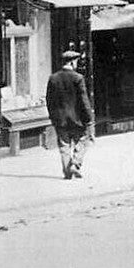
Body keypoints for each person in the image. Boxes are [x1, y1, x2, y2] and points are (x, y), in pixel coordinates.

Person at [46, 49, 94, 180]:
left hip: (60, 119)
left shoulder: (53, 78)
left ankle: (67, 172)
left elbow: (49, 100)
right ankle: (75, 163)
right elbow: (84, 100)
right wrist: (89, 118)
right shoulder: (78, 78)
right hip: (77, 118)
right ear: (73, 62)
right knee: (83, 140)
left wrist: (53, 117)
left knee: (64, 145)